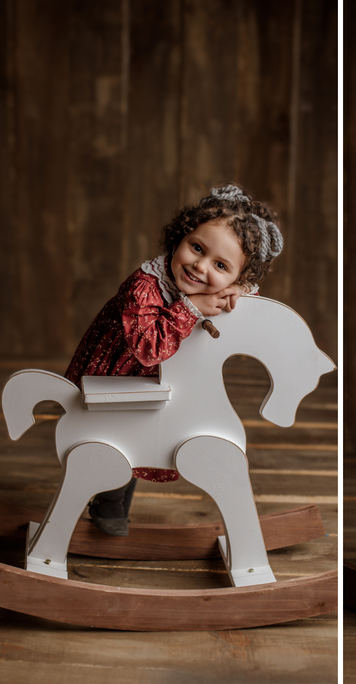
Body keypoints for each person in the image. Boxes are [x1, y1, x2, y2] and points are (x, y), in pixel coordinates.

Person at [67, 184, 283, 536]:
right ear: (181, 236)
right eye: (196, 248)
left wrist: (239, 291)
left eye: (220, 265)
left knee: (148, 434)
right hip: (116, 376)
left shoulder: (215, 287)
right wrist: (191, 309)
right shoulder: (146, 285)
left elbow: (246, 303)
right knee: (120, 435)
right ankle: (107, 499)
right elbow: (148, 345)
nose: (199, 266)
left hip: (158, 382)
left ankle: (117, 497)